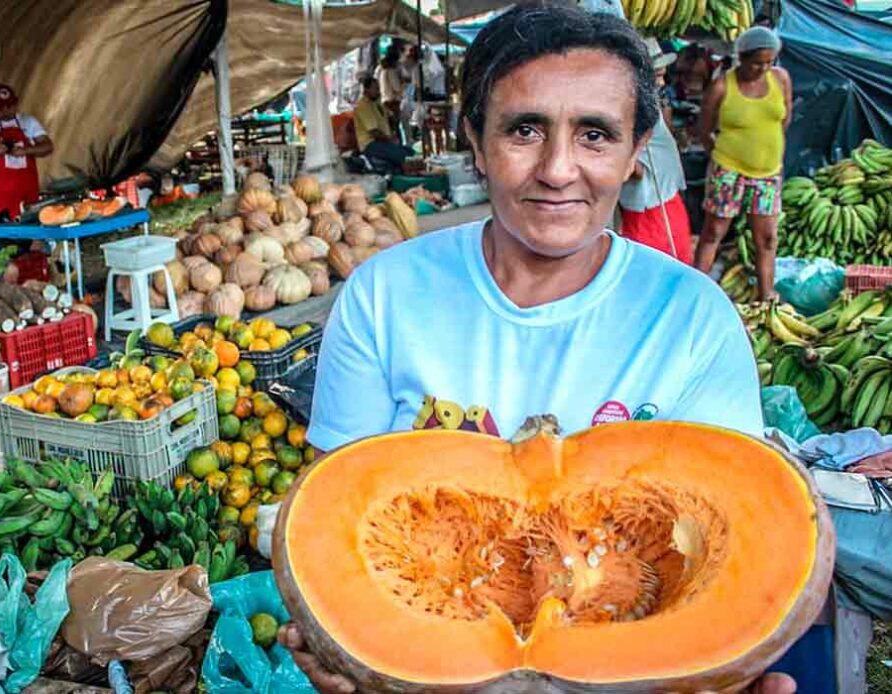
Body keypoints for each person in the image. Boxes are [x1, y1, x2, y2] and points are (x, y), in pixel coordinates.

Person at [278, 4, 794, 693]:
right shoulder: (383, 294)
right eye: (525, 129)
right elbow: (337, 529)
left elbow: (727, 547)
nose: (557, 169)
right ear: (476, 139)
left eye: (595, 135)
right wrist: (344, 637)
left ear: (637, 151)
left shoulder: (694, 317)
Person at [693, 27, 791, 300]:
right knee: (714, 232)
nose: (763, 68)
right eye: (757, 62)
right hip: (729, 171)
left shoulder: (781, 80)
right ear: (742, 58)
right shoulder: (723, 86)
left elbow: (785, 118)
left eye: (769, 62)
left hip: (768, 173)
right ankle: (695, 291)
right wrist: (725, 157)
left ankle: (766, 295)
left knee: (767, 239)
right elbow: (705, 130)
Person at [0, 84, 54, 284]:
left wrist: (26, 151)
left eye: (9, 106)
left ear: (16, 104)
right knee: (5, 248)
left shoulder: (28, 122)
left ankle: (36, 278)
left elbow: (47, 146)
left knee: (34, 241)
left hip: (27, 198)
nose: (6, 111)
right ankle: (9, 284)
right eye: (0, 107)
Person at [618, 38, 692, 263]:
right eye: (657, 75)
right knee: (653, 263)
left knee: (677, 256)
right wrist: (637, 170)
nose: (662, 82)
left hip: (665, 195)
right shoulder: (628, 105)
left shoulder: (651, 100)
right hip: (647, 202)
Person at [353, 76, 413, 174]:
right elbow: (374, 132)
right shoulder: (362, 106)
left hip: (383, 141)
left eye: (378, 88)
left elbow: (390, 116)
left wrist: (393, 128)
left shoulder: (377, 103)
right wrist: (390, 139)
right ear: (366, 89)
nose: (378, 91)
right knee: (402, 156)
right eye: (375, 89)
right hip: (370, 145)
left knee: (410, 151)